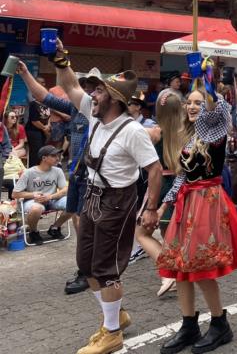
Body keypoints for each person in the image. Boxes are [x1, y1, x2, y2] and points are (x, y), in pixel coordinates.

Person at [55, 41, 163, 354]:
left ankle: (112, 332)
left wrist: (151, 209)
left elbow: (154, 171)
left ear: (114, 98)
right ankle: (116, 316)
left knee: (106, 270)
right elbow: (69, 84)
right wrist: (61, 59)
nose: (92, 95)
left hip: (117, 203)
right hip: (93, 196)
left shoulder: (132, 131)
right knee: (86, 265)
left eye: (99, 91)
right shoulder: (94, 114)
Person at [149, 87, 237, 354]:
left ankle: (219, 323)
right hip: (186, 203)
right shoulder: (188, 137)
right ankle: (189, 324)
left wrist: (210, 84)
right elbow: (182, 176)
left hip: (207, 203)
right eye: (188, 101)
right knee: (181, 267)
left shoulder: (216, 133)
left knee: (199, 267)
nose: (191, 106)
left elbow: (221, 109)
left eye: (198, 103)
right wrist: (163, 203)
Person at [16, 62, 95, 294]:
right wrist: (26, 74)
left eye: (96, 88)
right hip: (78, 174)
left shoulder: (109, 115)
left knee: (89, 225)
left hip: (99, 178)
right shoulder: (77, 109)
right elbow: (45, 97)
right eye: (89, 86)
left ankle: (93, 271)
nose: (91, 91)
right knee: (79, 222)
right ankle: (87, 269)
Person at [12, 145, 68, 243]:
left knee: (73, 202)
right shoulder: (29, 172)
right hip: (33, 201)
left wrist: (50, 196)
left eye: (58, 155)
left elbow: (65, 189)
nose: (58, 158)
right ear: (44, 158)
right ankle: (33, 232)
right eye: (54, 156)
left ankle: (55, 228)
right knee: (36, 208)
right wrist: (33, 195)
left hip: (52, 200)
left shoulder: (58, 171)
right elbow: (15, 194)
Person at [25, 82, 50, 167]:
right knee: (36, 151)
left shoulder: (46, 104)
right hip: (33, 130)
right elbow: (34, 121)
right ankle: (33, 169)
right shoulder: (33, 104)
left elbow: (49, 116)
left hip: (43, 130)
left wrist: (48, 126)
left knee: (42, 150)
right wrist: (45, 129)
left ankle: (41, 167)